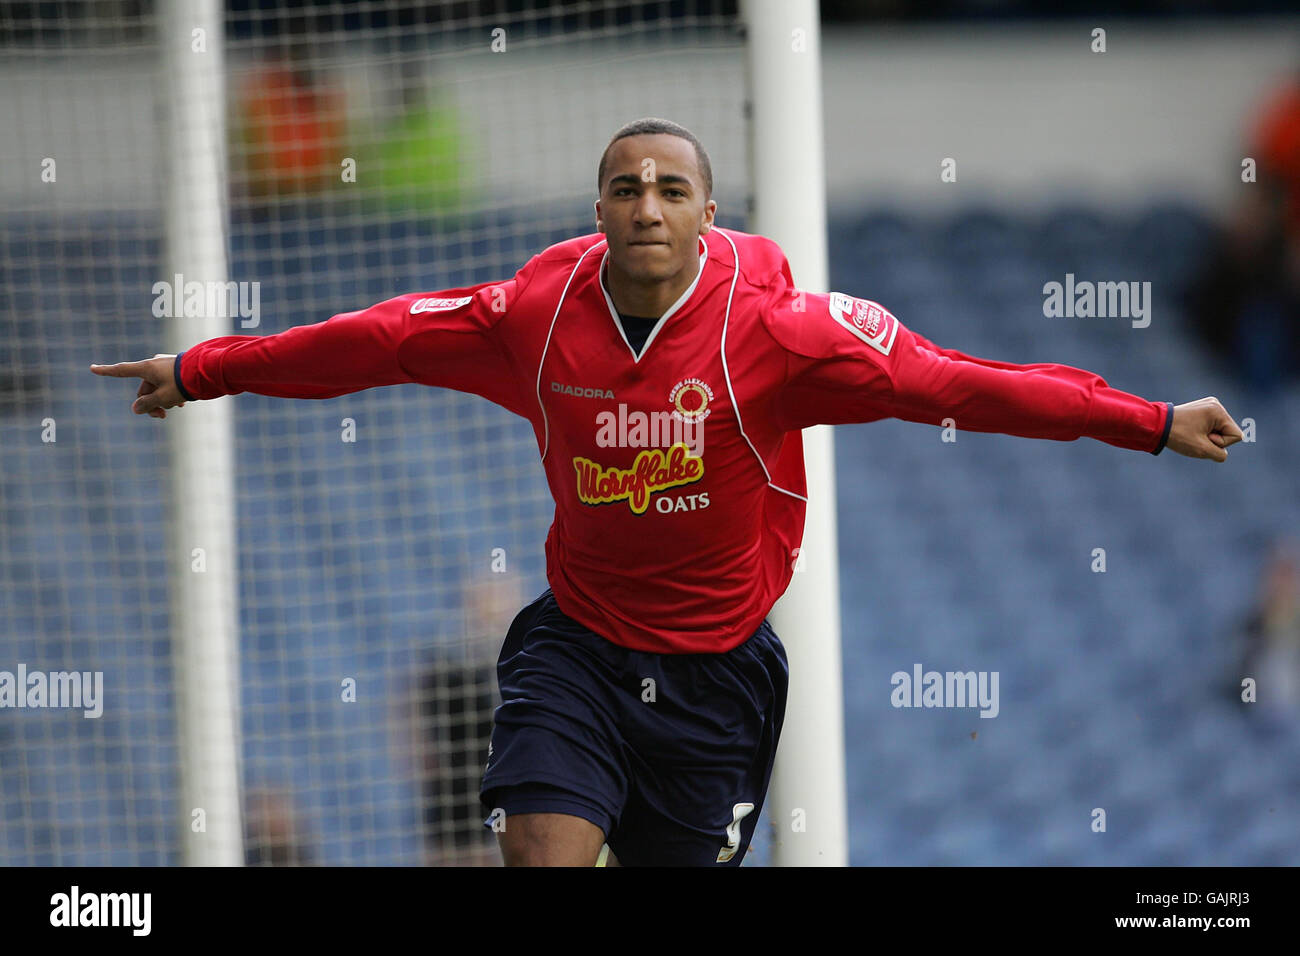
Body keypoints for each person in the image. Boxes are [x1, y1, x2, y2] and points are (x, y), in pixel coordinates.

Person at [92, 117, 1245, 867]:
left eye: (670, 187)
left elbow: (963, 382)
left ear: (705, 213)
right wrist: (202, 368)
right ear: (597, 211)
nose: (646, 203)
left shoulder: (786, 336)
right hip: (578, 646)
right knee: (541, 844)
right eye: (624, 186)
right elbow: (378, 340)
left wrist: (1146, 421)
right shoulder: (532, 320)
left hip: (717, 675)